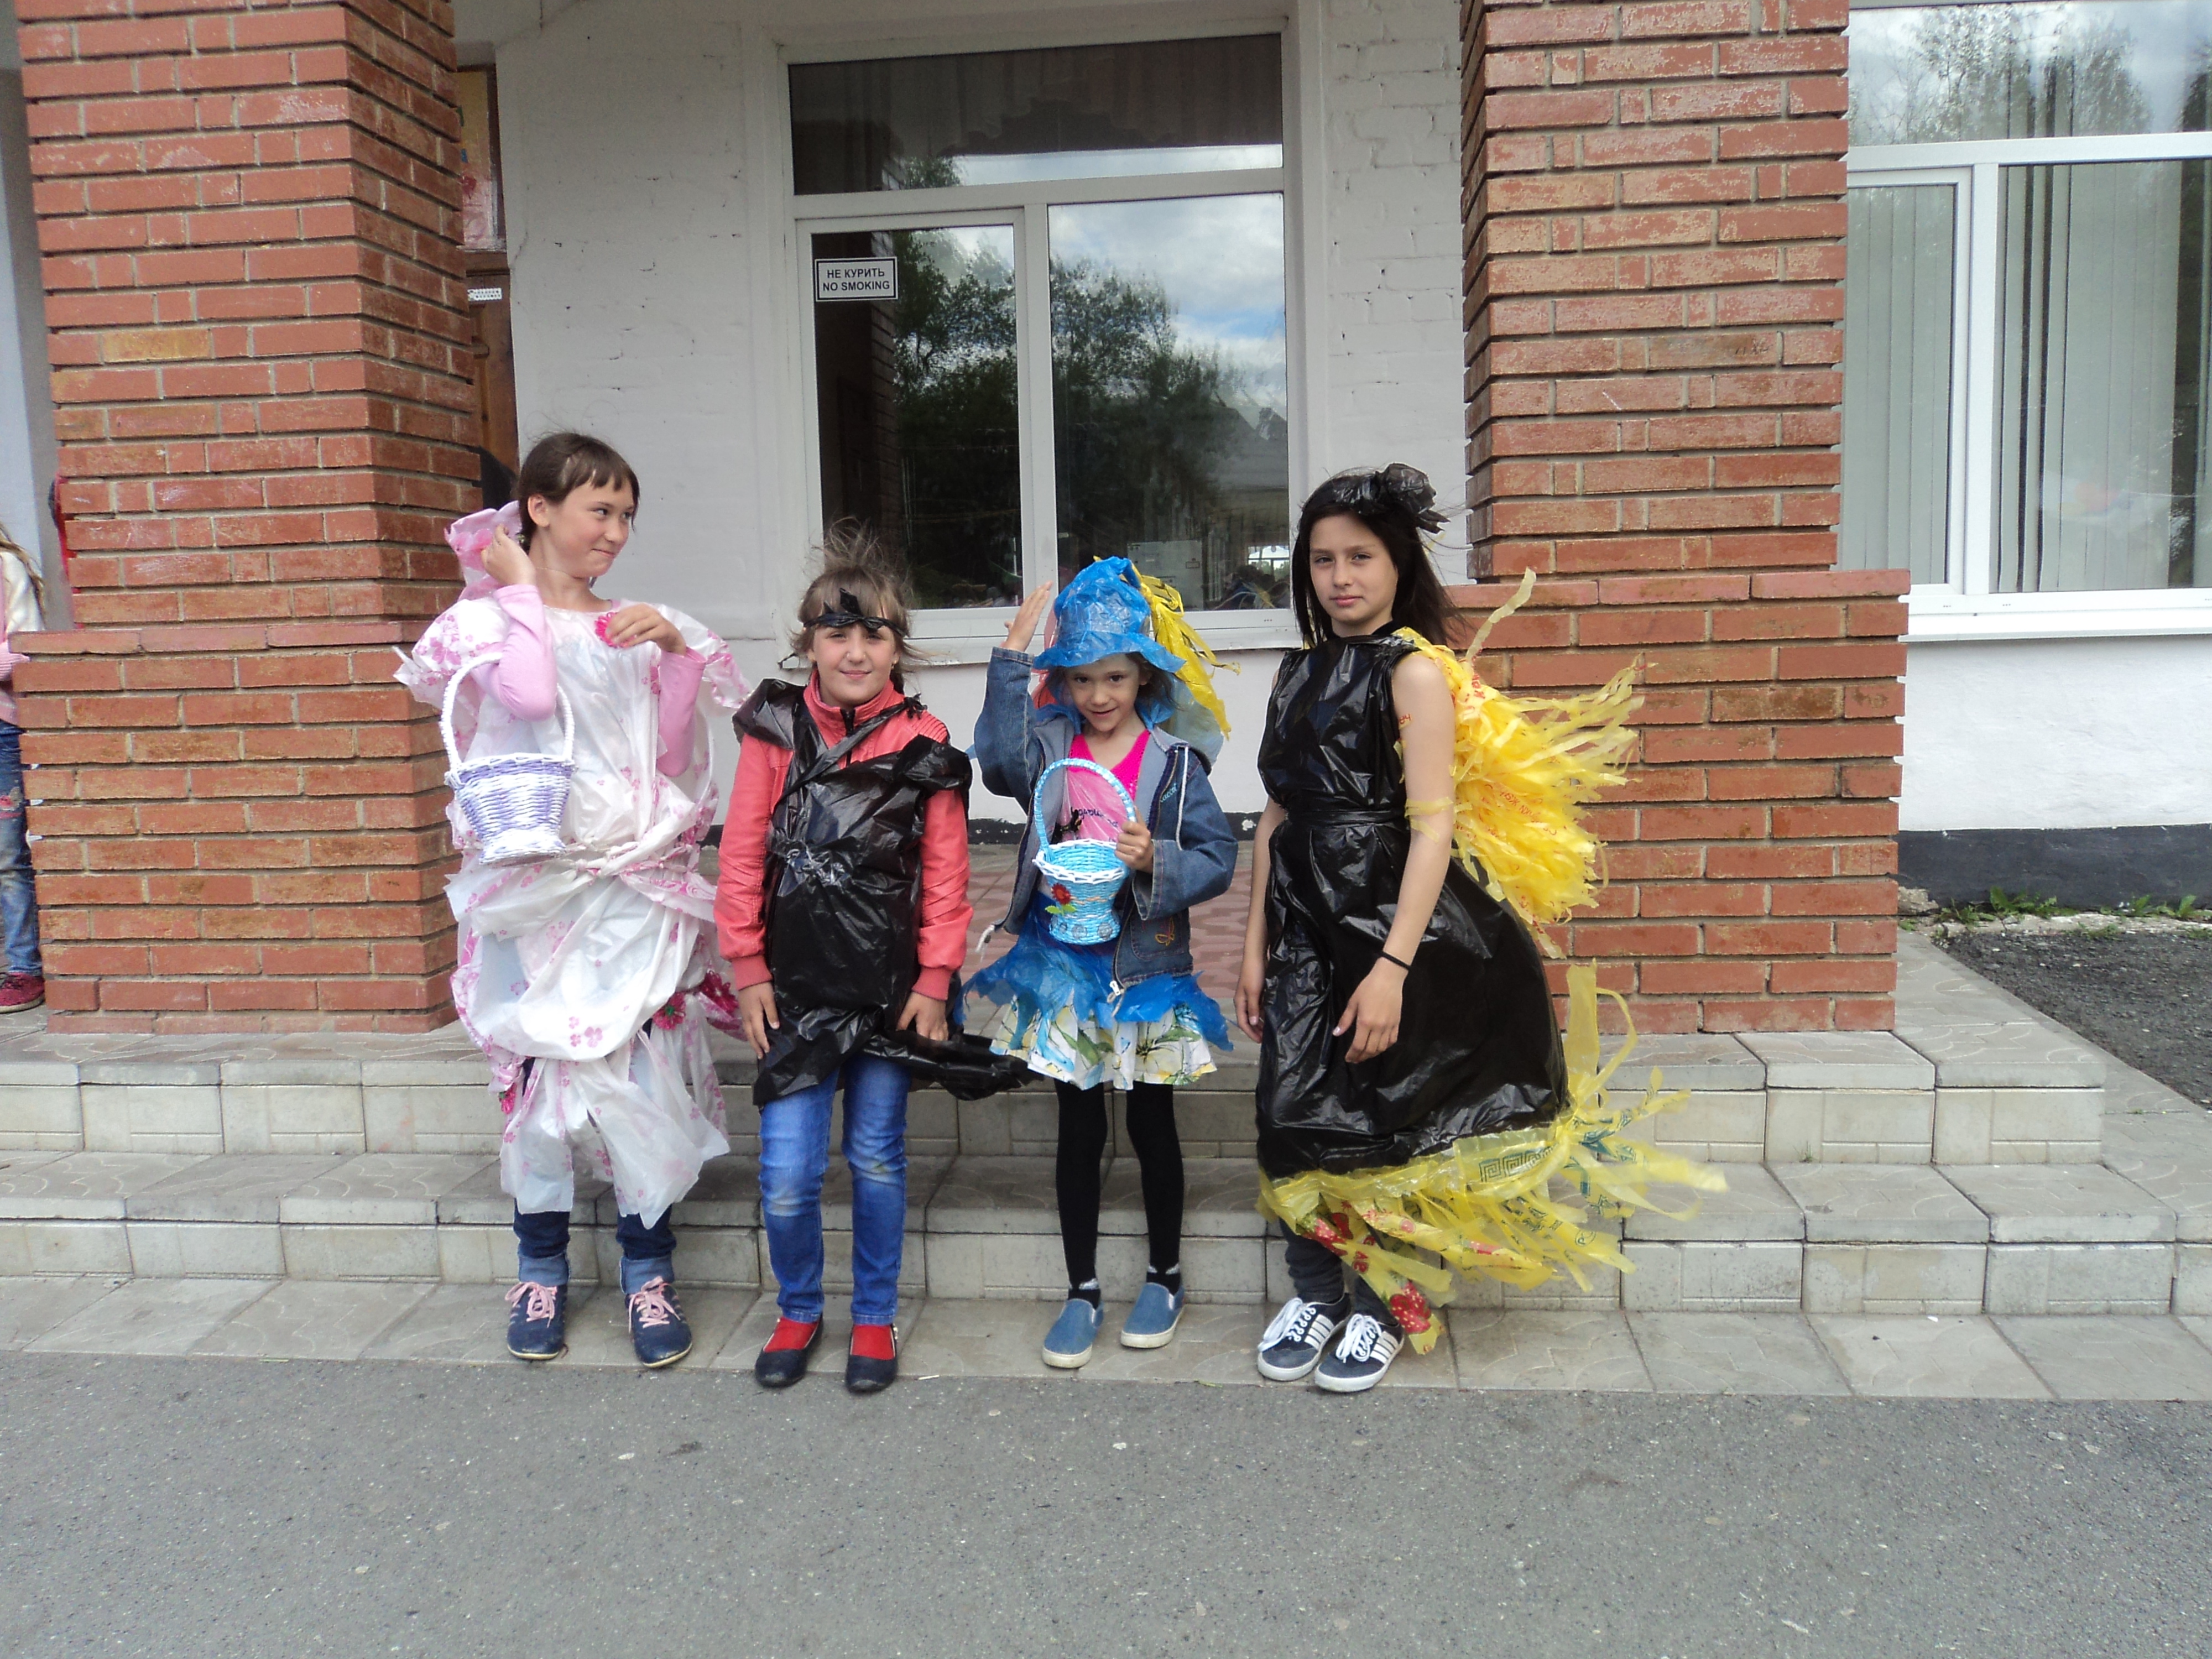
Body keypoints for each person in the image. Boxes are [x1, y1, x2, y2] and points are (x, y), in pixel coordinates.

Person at [1237, 464, 1719, 1393]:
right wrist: (1256, 947)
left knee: (1398, 1117)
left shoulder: (1413, 671)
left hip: (1391, 924)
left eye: (1361, 557)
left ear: (1397, 563)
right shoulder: (1295, 672)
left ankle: (1389, 1305)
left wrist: (1392, 967)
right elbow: (1275, 817)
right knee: (1291, 1111)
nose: (1341, 577)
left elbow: (1433, 827)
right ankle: (1316, 1294)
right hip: (1305, 925)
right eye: (1324, 560)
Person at [395, 432, 749, 1368]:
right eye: (601, 510)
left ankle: (649, 1271)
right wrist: (518, 589)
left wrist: (674, 655)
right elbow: (528, 696)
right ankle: (540, 1267)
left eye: (628, 515)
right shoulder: (487, 620)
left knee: (641, 1074)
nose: (617, 533)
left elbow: (670, 753)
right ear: (540, 509)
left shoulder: (636, 624)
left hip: (631, 879)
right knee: (542, 1078)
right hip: (538, 883)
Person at [716, 531, 973, 1395]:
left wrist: (935, 979)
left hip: (890, 992)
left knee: (876, 1157)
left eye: (874, 634)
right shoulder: (775, 734)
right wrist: (747, 966)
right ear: (809, 644)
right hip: (795, 991)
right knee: (788, 1175)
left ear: (898, 647)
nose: (855, 651)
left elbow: (946, 871)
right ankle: (798, 1308)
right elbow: (742, 853)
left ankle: (873, 1315)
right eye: (837, 633)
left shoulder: (925, 740)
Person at [968, 559, 1238, 1368]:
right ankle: (1082, 1288)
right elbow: (998, 763)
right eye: (1081, 678)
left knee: (1153, 1124)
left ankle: (1165, 1276)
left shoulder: (1174, 761)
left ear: (1143, 674)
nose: (1097, 694)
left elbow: (1218, 857)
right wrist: (1011, 662)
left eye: (1115, 676)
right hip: (1061, 965)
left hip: (1146, 971)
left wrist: (1158, 860)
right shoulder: (1049, 743)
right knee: (1078, 1128)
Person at [0, 527, 45, 1013]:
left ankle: (23, 969)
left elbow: (24, 649)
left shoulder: (5, 567)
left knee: (8, 857)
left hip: (2, 728)